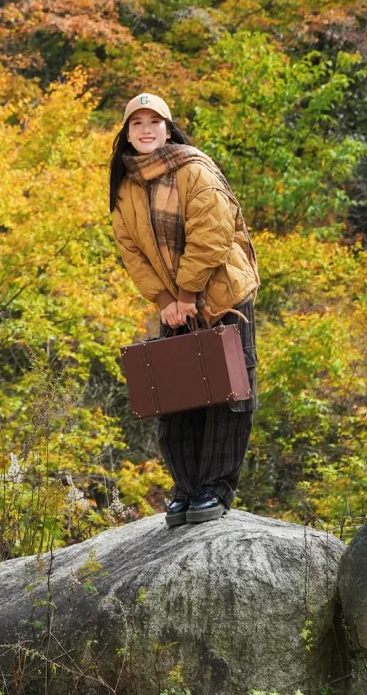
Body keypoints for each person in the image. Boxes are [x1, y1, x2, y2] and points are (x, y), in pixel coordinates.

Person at [109, 91, 260, 527]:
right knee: (175, 395)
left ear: (168, 129)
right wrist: (164, 300)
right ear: (127, 133)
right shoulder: (125, 184)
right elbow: (130, 249)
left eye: (154, 121)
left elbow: (213, 234)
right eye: (136, 123)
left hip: (222, 294)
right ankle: (186, 489)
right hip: (175, 303)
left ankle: (215, 488)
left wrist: (189, 295)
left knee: (228, 393)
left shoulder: (193, 169)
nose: (146, 129)